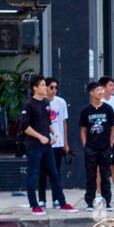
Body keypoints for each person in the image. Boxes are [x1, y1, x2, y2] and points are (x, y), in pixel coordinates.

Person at [19, 74, 74, 216]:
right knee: (33, 175)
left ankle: (62, 202)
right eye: (42, 85)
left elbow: (48, 122)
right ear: (35, 88)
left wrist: (54, 134)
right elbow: (25, 127)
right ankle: (34, 205)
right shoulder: (29, 104)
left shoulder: (45, 103)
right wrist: (40, 137)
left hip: (47, 145)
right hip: (34, 146)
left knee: (55, 174)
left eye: (45, 85)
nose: (45, 88)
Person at [79, 80, 114, 216]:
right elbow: (83, 130)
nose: (101, 92)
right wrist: (85, 145)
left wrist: (110, 145)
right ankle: (90, 202)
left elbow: (112, 128)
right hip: (91, 148)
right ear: (91, 92)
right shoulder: (85, 111)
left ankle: (107, 201)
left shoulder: (108, 109)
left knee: (106, 175)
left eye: (102, 89)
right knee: (91, 175)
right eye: (97, 90)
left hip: (105, 147)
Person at [38, 77, 69, 208]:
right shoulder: (40, 102)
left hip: (58, 142)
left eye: (56, 88)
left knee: (55, 172)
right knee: (42, 172)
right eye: (51, 87)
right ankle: (42, 199)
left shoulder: (61, 102)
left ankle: (56, 198)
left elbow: (64, 122)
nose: (54, 90)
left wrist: (66, 143)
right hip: (44, 142)